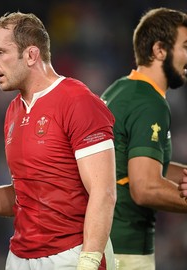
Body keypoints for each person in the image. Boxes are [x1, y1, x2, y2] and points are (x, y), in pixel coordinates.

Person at [0, 11, 117, 270]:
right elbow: (24, 196)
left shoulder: (78, 101)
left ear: (32, 55)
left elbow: (104, 192)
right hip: (20, 258)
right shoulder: (13, 111)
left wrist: (89, 262)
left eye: (0, 52)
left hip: (71, 255)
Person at [100, 7, 187, 270]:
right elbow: (145, 186)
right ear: (160, 50)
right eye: (185, 46)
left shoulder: (121, 88)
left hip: (104, 244)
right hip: (126, 251)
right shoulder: (149, 103)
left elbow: (138, 163)